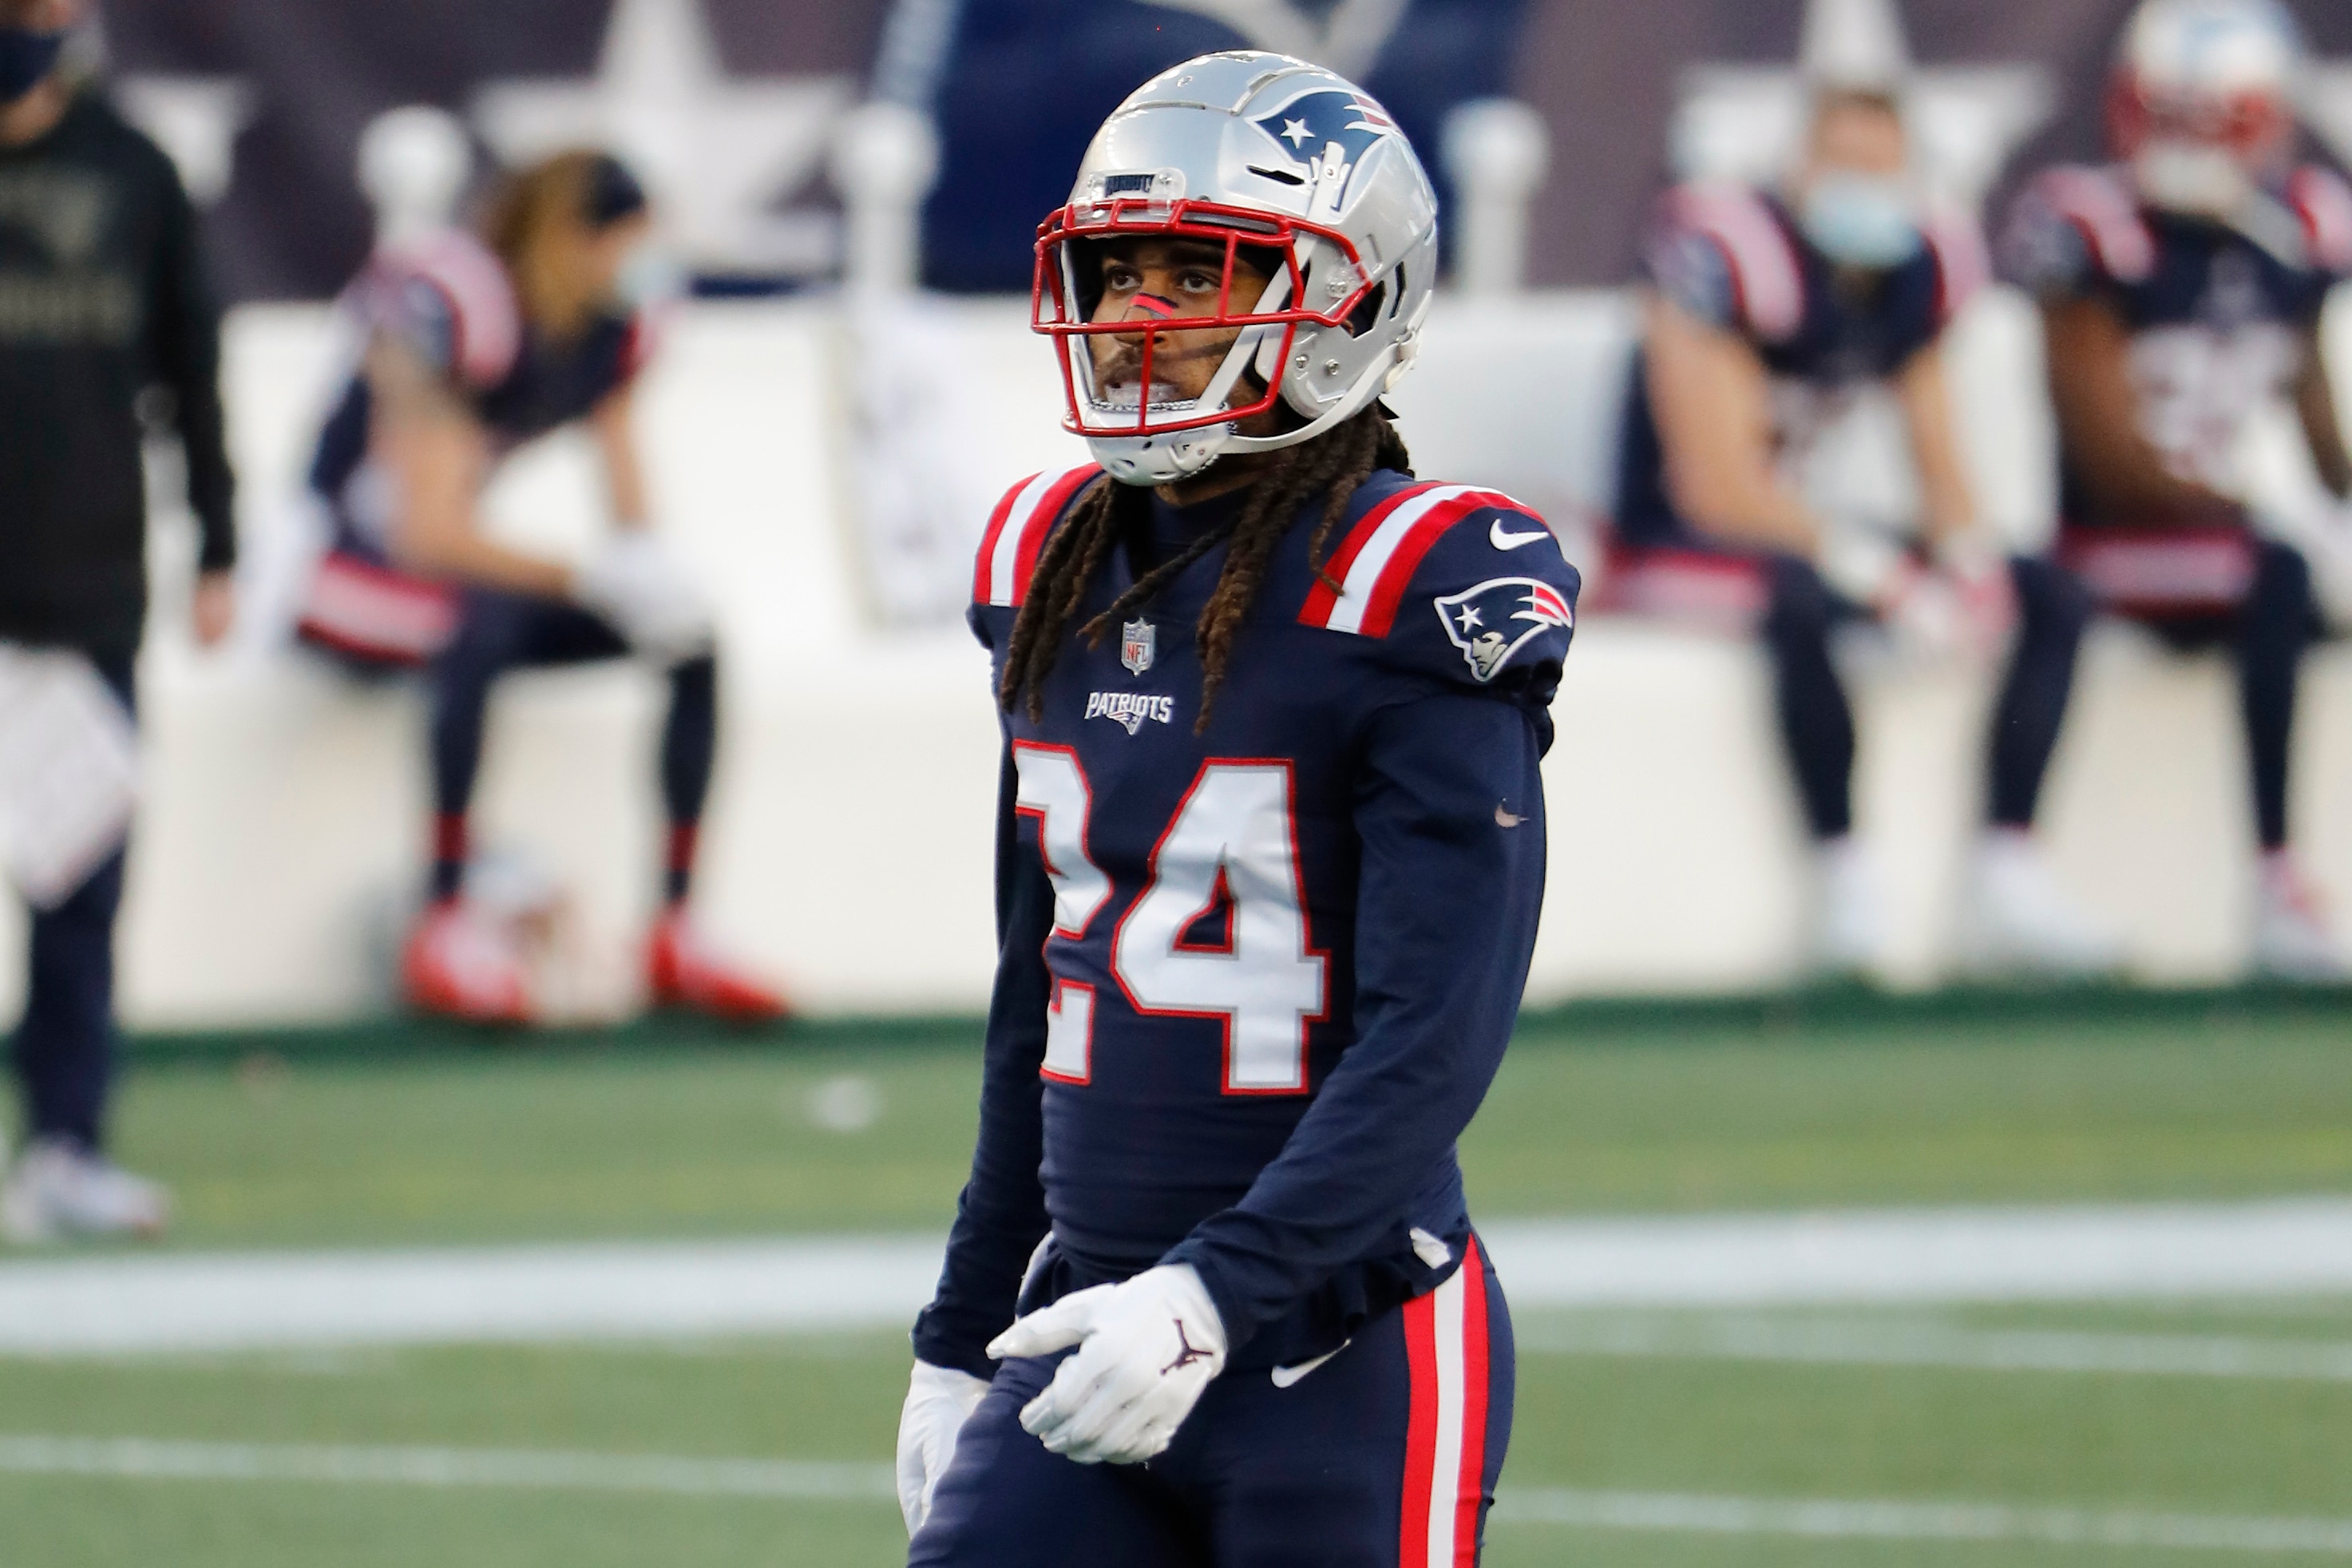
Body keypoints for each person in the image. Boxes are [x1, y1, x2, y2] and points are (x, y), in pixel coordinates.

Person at [897, 53, 1579, 1568]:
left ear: (1347, 298)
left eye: (1199, 273)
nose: (1140, 314)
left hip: (1344, 1347)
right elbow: (1042, 1000)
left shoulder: (1409, 580)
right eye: (1120, 268)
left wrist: (1211, 1292)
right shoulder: (1050, 558)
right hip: (1090, 1318)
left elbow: (1433, 1036)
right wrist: (960, 1328)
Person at [1608, 82, 2124, 979]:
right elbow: (1717, 483)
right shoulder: (1722, 251)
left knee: (2048, 590)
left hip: (1800, 525)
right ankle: (1842, 868)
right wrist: (1880, 573)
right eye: (1842, 165)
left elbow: (1937, 448)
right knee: (1798, 592)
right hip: (1674, 534)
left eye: (1882, 170)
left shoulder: (1911, 268)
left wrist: (1966, 562)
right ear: (1797, 166)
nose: (1863, 188)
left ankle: (2010, 859)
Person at [295, 149, 785, 1023]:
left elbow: (625, 474)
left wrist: (646, 574)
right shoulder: (455, 306)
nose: (644, 262)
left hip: (432, 579)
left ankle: (676, 923)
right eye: (627, 240)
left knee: (691, 636)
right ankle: (443, 912)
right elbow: (425, 531)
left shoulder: (614, 327)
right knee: (476, 621)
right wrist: (589, 572)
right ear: (567, 239)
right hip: (331, 574)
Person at [1998, 0, 2350, 981]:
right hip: (2109, 542)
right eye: (2174, 114)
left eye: (2212, 118)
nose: (2188, 143)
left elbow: (2316, 407)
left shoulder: (2297, 229)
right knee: (2281, 571)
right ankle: (2280, 875)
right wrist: (2280, 523)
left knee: (2291, 575)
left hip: (2218, 545)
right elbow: (2108, 454)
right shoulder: (2093, 225)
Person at [0, 0, 232, 1241]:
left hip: (80, 577)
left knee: (77, 870)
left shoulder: (132, 169)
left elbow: (191, 366)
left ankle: (67, 1140)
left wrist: (220, 543)